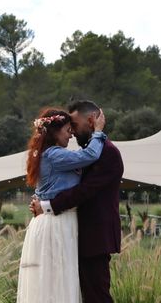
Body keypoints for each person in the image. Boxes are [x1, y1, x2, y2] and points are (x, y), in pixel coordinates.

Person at [31, 100, 124, 303]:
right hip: (74, 233)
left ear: (91, 121)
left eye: (74, 124)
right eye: (68, 127)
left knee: (96, 295)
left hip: (95, 236)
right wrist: (42, 197)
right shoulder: (85, 151)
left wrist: (47, 206)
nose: (72, 131)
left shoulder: (107, 152)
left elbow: (84, 191)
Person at [17, 107, 107, 303]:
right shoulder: (54, 155)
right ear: (54, 132)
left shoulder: (46, 154)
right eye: (67, 130)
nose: (71, 135)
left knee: (56, 281)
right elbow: (89, 156)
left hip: (57, 220)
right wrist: (98, 132)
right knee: (56, 281)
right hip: (56, 223)